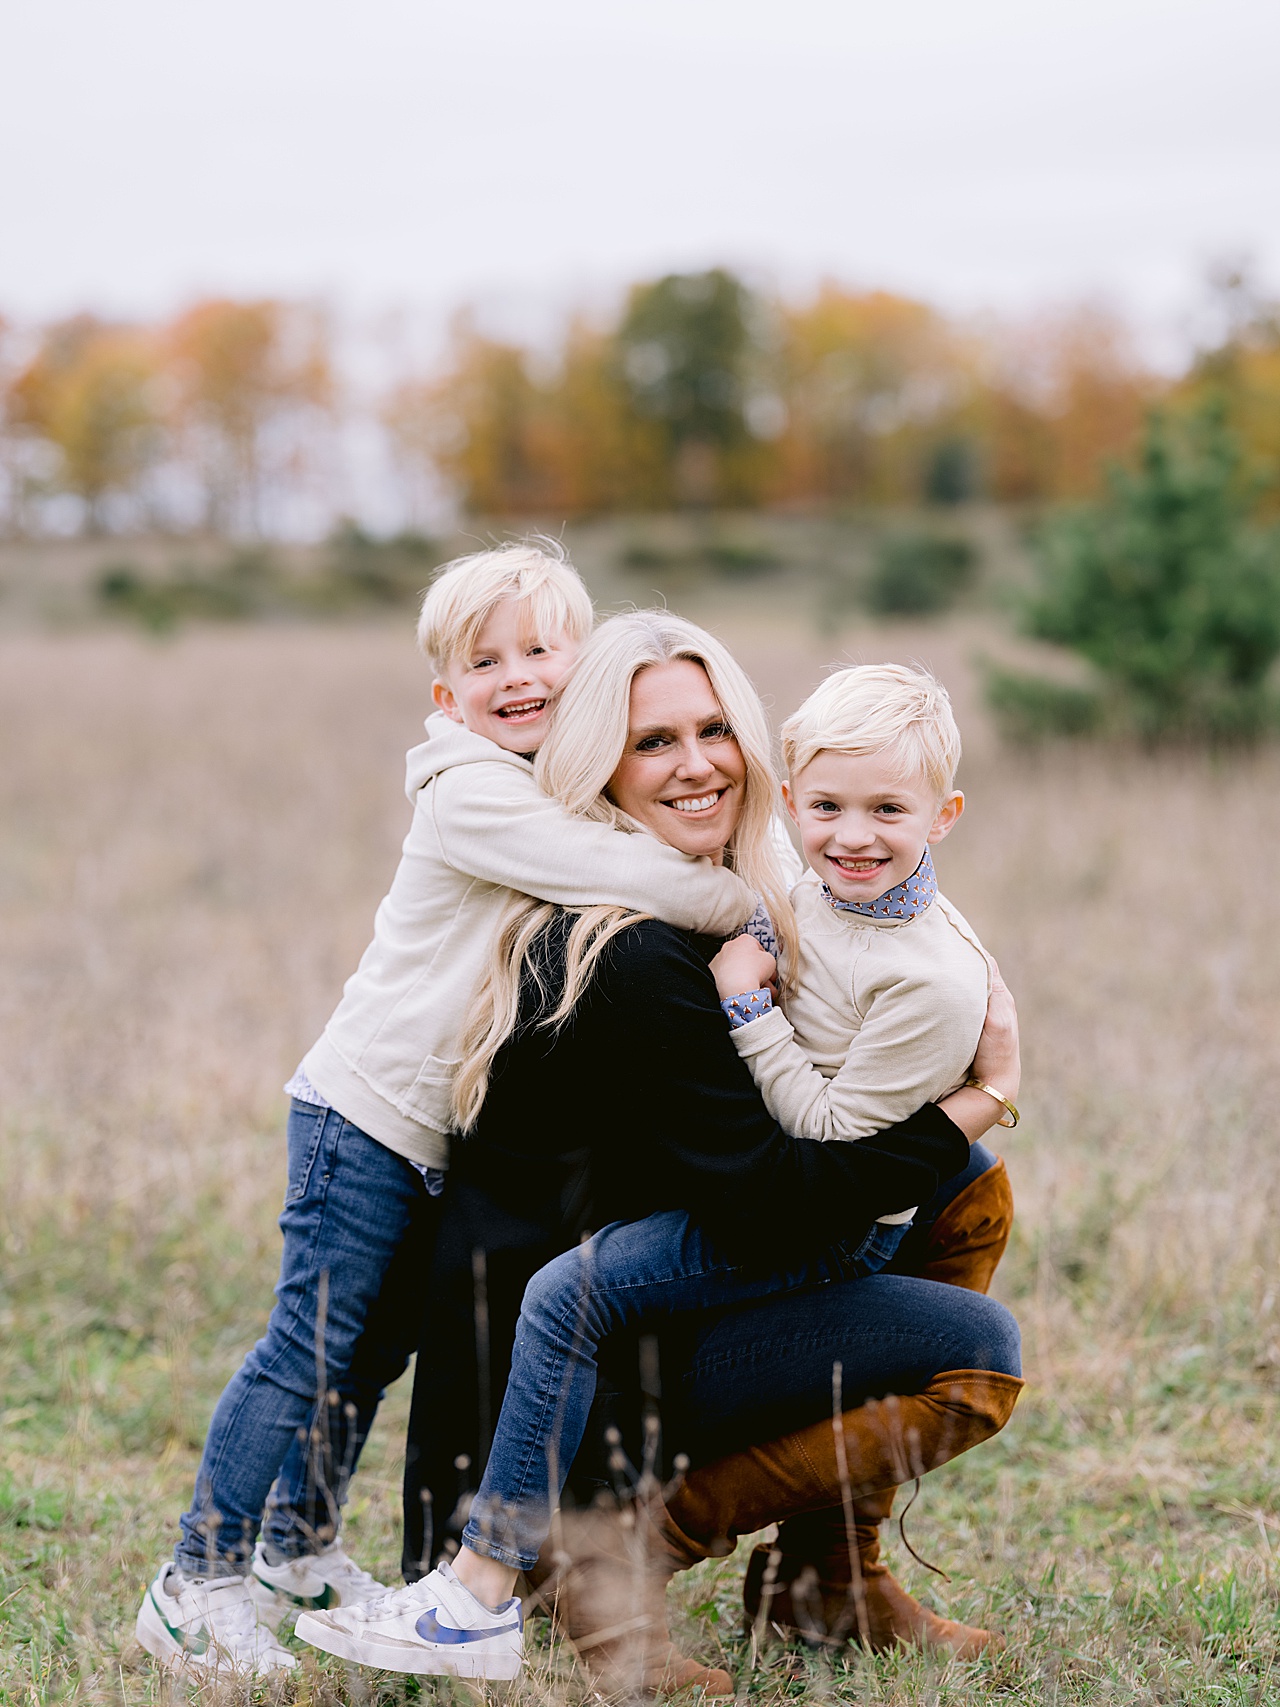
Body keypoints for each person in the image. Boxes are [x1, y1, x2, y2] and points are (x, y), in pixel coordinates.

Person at [296, 612, 1023, 1691]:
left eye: (713, 729)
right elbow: (783, 1205)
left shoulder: (698, 897)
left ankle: (826, 1580)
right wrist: (980, 1097)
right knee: (977, 1349)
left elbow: (869, 872)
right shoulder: (632, 955)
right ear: (599, 767)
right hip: (567, 1398)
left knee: (965, 1192)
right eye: (651, 743)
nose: (695, 765)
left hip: (634, 1323)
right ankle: (600, 1560)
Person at [134, 549, 757, 1678]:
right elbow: (637, 877)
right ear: (446, 697)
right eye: (484, 661)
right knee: (306, 1351)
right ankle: (195, 1577)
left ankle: (296, 1550)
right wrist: (750, 905)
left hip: (425, 1133)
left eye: (540, 651)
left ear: (586, 668)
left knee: (367, 1355)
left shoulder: (547, 786)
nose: (516, 676)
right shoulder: (472, 789)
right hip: (362, 1113)